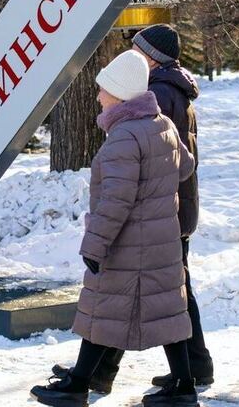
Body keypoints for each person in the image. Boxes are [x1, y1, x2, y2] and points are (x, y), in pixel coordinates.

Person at [30, 50, 198, 407]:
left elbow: (115, 201)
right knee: (165, 310)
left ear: (120, 94)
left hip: (127, 244)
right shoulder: (161, 124)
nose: (98, 96)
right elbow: (185, 166)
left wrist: (94, 245)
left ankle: (79, 384)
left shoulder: (124, 136)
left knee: (103, 307)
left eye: (103, 90)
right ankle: (181, 384)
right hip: (160, 241)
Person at [132, 24, 214, 388]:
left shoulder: (160, 93)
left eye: (138, 51)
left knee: (164, 288)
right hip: (177, 205)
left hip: (166, 208)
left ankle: (194, 368)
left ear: (153, 56)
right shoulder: (173, 89)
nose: (134, 57)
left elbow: (158, 153)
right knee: (168, 286)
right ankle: (196, 366)